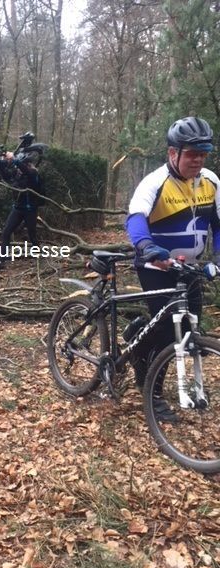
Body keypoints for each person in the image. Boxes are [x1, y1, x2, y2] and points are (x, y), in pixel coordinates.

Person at [125, 116, 220, 419]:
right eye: (192, 153)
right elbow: (135, 219)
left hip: (189, 268)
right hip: (156, 266)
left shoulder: (211, 181)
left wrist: (217, 260)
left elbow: (218, 226)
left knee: (190, 327)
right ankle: (152, 392)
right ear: (172, 153)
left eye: (203, 153)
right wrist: (147, 247)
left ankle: (139, 342)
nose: (198, 160)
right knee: (169, 330)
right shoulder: (154, 182)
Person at [0, 149, 44, 272]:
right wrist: (0, 163)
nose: (18, 169)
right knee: (6, 232)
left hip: (30, 210)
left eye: (20, 165)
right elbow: (6, 177)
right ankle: (1, 261)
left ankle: (39, 257)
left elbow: (25, 170)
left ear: (26, 164)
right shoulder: (18, 174)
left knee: (32, 234)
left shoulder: (33, 173)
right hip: (18, 208)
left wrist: (14, 159)